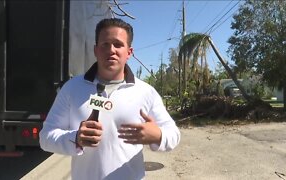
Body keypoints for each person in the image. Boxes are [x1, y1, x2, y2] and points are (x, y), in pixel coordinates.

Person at [39, 18, 181, 180]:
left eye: (118, 44)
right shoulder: (72, 88)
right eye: (105, 44)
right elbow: (45, 138)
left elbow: (174, 134)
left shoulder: (145, 92)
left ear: (129, 52)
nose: (111, 50)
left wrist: (158, 135)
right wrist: (76, 138)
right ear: (96, 50)